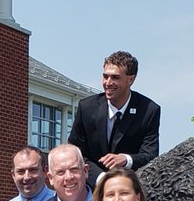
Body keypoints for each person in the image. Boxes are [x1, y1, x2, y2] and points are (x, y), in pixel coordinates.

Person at [67, 50, 161, 185]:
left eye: (115, 78)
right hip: (92, 186)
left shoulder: (148, 110)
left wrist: (125, 159)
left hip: (128, 188)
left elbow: (150, 155)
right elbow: (76, 151)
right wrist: (100, 179)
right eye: (105, 76)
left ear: (131, 79)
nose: (108, 83)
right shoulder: (87, 107)